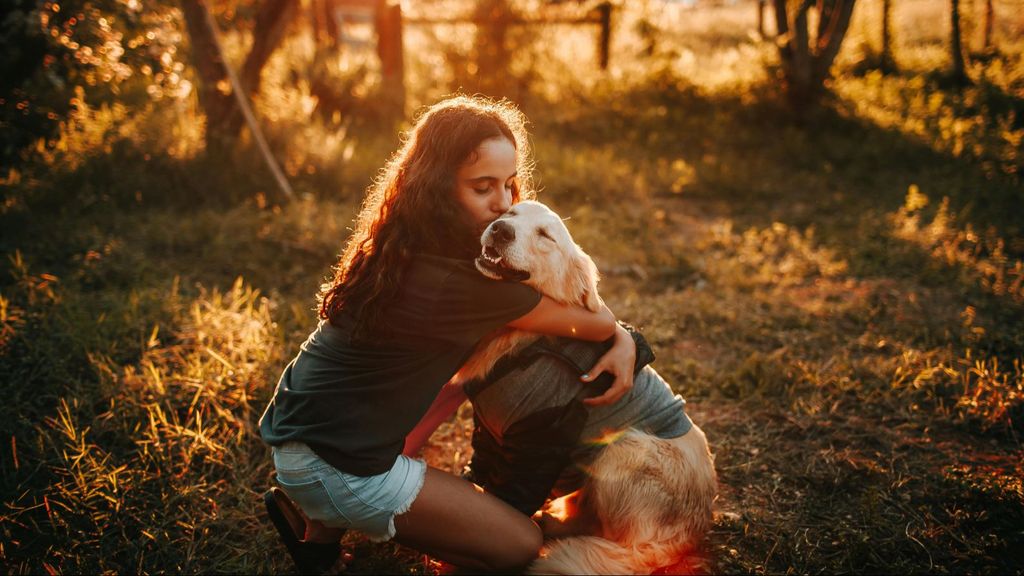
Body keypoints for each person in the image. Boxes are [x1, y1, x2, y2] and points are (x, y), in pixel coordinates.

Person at [258, 95, 638, 572]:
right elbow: (593, 320)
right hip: (337, 466)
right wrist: (625, 339)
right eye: (483, 188)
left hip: (296, 434)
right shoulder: (467, 286)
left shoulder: (403, 243)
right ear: (438, 187)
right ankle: (336, 508)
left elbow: (451, 382)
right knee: (520, 544)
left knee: (446, 386)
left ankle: (320, 532)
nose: (502, 205)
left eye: (509, 184)